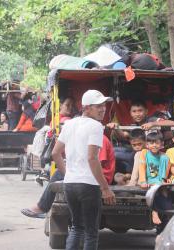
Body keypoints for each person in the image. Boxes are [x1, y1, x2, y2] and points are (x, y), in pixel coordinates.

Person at [52, 89, 116, 250]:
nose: (103, 109)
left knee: (77, 227)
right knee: (90, 232)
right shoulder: (95, 126)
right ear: (86, 108)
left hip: (71, 185)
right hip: (88, 185)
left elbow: (55, 153)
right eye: (98, 106)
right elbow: (92, 158)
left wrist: (69, 175)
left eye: (104, 105)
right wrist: (105, 188)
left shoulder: (69, 123)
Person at [21, 135, 115, 219]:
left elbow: (96, 164)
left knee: (58, 173)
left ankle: (41, 207)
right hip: (91, 174)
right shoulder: (90, 139)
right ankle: (42, 206)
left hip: (100, 177)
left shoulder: (100, 139)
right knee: (60, 174)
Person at [138, 132, 171, 234]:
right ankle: (154, 212)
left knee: (163, 192)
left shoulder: (164, 156)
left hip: (159, 181)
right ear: (147, 145)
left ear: (161, 144)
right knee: (158, 190)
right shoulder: (144, 153)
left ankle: (161, 216)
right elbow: (142, 168)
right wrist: (143, 181)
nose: (154, 145)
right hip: (149, 181)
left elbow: (164, 173)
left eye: (157, 143)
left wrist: (163, 181)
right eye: (151, 143)